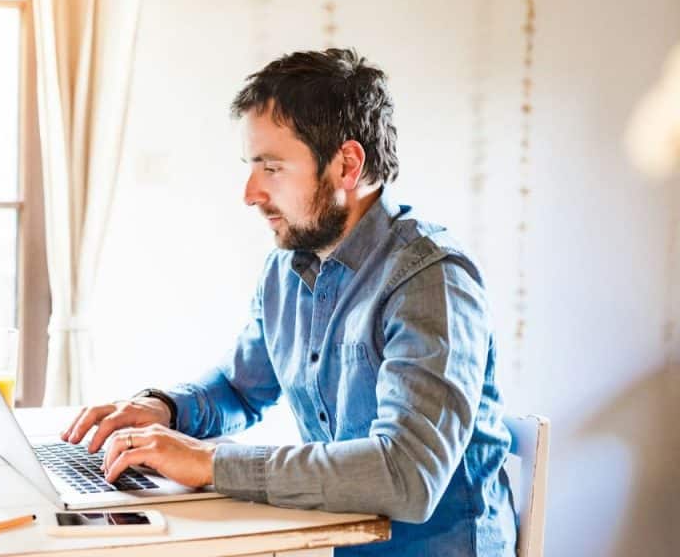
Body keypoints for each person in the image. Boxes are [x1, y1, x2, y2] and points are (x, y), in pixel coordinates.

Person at [61, 48, 516, 556]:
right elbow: (240, 388)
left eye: (272, 168)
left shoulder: (431, 280)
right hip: (326, 544)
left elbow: (405, 475)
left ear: (347, 164)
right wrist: (163, 410)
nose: (251, 193)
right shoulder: (288, 268)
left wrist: (211, 465)